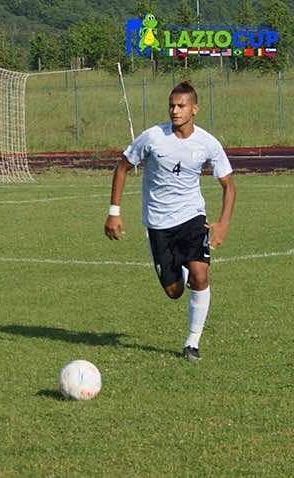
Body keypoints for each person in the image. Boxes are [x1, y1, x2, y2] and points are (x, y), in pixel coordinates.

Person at [104, 81, 236, 362]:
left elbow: (228, 185)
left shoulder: (207, 143)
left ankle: (192, 343)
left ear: (194, 109)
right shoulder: (152, 137)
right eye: (171, 106)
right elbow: (123, 166)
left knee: (202, 274)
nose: (175, 111)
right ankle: (182, 274)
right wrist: (114, 211)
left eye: (181, 106)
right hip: (158, 223)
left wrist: (223, 223)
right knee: (174, 291)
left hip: (192, 218)